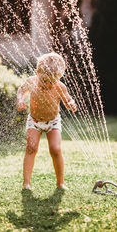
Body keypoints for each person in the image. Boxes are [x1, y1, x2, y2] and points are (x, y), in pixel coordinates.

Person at [16, 52, 77, 190]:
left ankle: (60, 182)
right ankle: (26, 183)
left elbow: (68, 100)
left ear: (59, 78)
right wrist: (20, 100)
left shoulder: (60, 87)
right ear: (37, 73)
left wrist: (71, 104)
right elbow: (21, 90)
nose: (48, 84)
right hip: (34, 120)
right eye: (44, 80)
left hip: (53, 121)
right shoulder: (31, 82)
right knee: (31, 147)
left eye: (52, 81)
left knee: (55, 149)